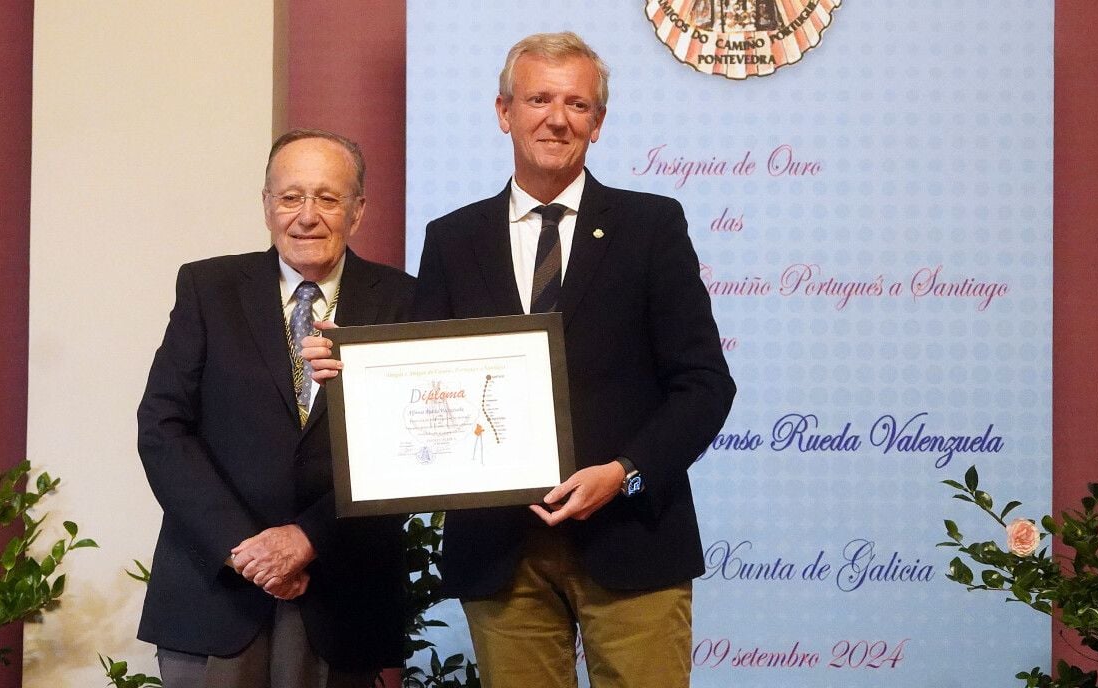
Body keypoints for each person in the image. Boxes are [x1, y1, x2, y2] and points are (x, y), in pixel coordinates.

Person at [306, 33, 734, 687]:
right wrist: (355, 373)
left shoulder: (650, 227)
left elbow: (705, 384)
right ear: (504, 111)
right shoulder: (453, 239)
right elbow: (429, 384)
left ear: (598, 121)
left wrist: (624, 473)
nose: (556, 118)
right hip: (501, 551)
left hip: (632, 537)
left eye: (576, 104)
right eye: (538, 99)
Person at [137, 128, 414, 688]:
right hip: (218, 592)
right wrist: (243, 549)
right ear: (267, 205)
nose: (306, 215)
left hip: (343, 595)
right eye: (290, 197)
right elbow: (163, 429)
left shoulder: (406, 302)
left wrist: (309, 537)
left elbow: (413, 446)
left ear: (358, 211)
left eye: (327, 198)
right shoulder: (207, 288)